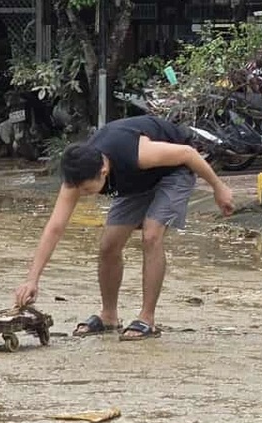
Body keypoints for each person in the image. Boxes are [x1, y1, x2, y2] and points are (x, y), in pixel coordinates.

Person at [13, 115, 235, 339]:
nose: (84, 196)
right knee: (109, 245)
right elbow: (55, 227)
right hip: (135, 183)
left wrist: (218, 187)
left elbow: (188, 154)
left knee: (151, 234)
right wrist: (33, 279)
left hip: (174, 170)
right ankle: (109, 316)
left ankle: (147, 318)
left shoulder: (134, 153)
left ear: (103, 173)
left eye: (89, 191)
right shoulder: (79, 171)